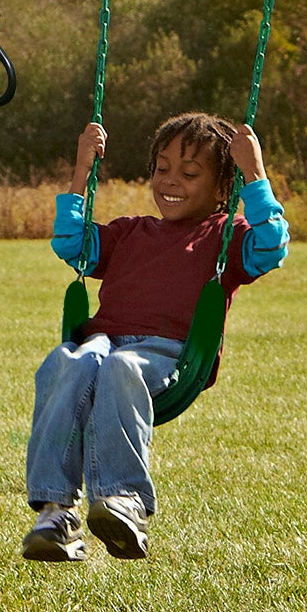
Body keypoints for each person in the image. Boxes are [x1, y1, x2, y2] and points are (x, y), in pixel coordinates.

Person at [23, 112, 288, 563]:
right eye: (162, 168)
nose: (171, 181)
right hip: (102, 343)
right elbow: (73, 246)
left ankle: (124, 499)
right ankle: (56, 512)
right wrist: (82, 169)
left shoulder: (225, 236)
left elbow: (272, 246)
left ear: (224, 187)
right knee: (65, 361)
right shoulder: (131, 231)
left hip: (168, 355)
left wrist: (256, 173)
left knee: (122, 368)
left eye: (189, 172)